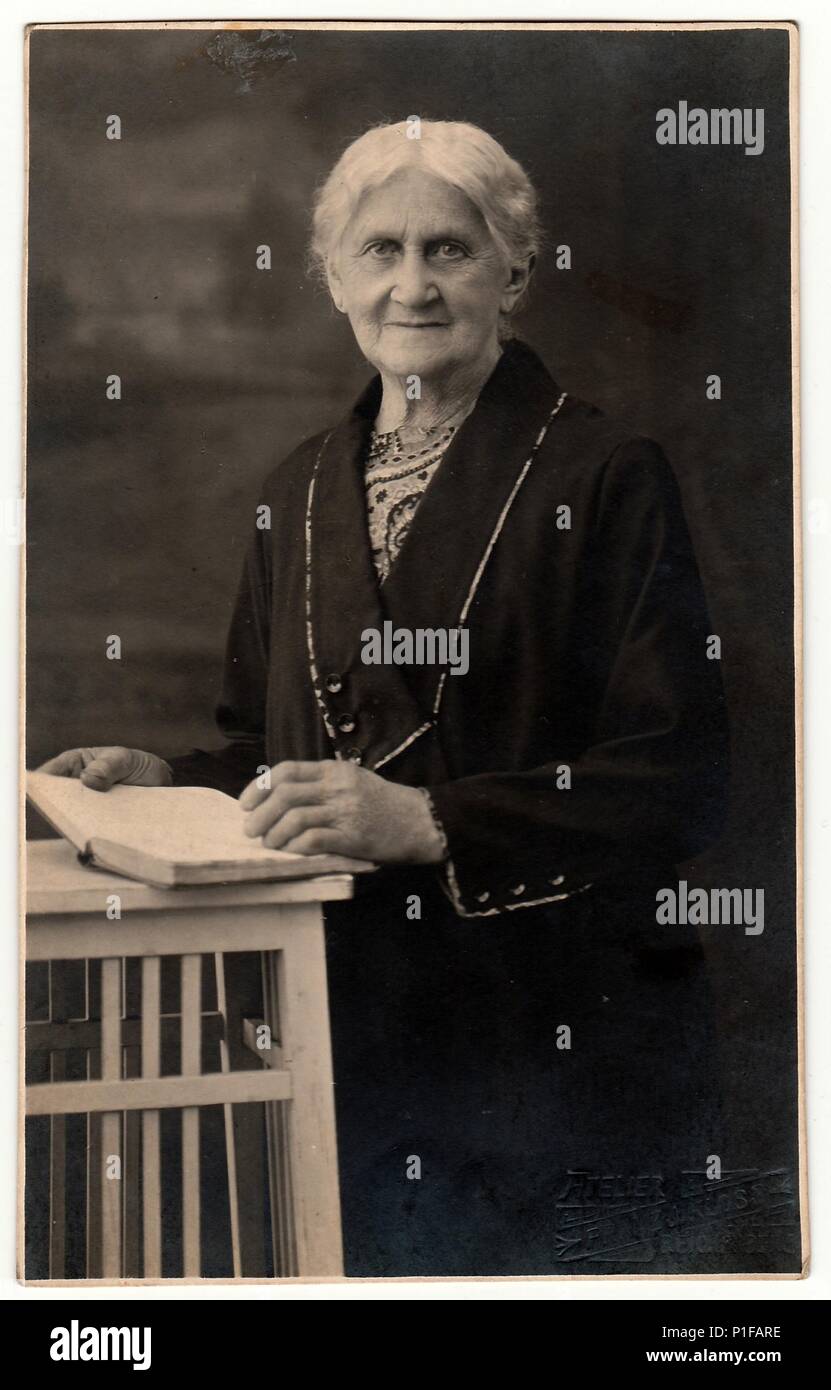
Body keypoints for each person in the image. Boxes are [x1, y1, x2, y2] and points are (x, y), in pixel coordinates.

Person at [40, 119, 729, 1276]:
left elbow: (683, 779)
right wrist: (166, 779)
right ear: (334, 278)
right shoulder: (298, 489)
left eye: (450, 250)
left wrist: (431, 821)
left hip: (550, 1042)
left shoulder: (606, 475)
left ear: (514, 269)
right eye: (381, 250)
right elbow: (267, 753)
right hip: (333, 1023)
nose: (412, 284)